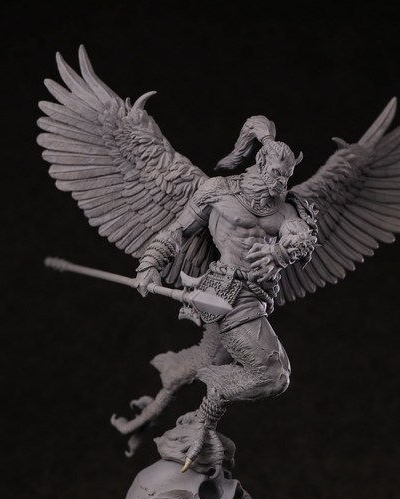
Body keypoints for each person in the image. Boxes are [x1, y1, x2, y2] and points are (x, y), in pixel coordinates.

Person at [132, 115, 317, 470]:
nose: (280, 183)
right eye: (276, 174)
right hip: (227, 292)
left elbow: (301, 236)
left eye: (286, 177)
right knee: (272, 374)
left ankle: (157, 407)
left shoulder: (286, 208)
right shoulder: (219, 191)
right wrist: (150, 263)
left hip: (259, 296)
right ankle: (208, 409)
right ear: (259, 162)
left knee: (208, 358)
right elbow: (177, 231)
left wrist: (282, 251)